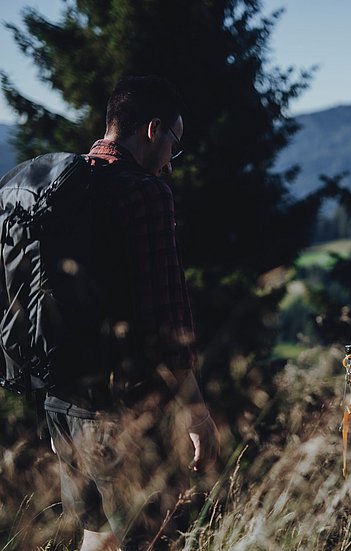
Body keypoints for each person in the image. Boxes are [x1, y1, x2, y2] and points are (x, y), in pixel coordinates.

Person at [42, 75, 219, 551]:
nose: (170, 161)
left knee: (97, 536)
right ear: (152, 129)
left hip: (60, 399)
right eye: (173, 145)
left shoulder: (65, 183)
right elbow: (168, 318)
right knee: (154, 540)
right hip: (119, 411)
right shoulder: (144, 194)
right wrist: (197, 413)